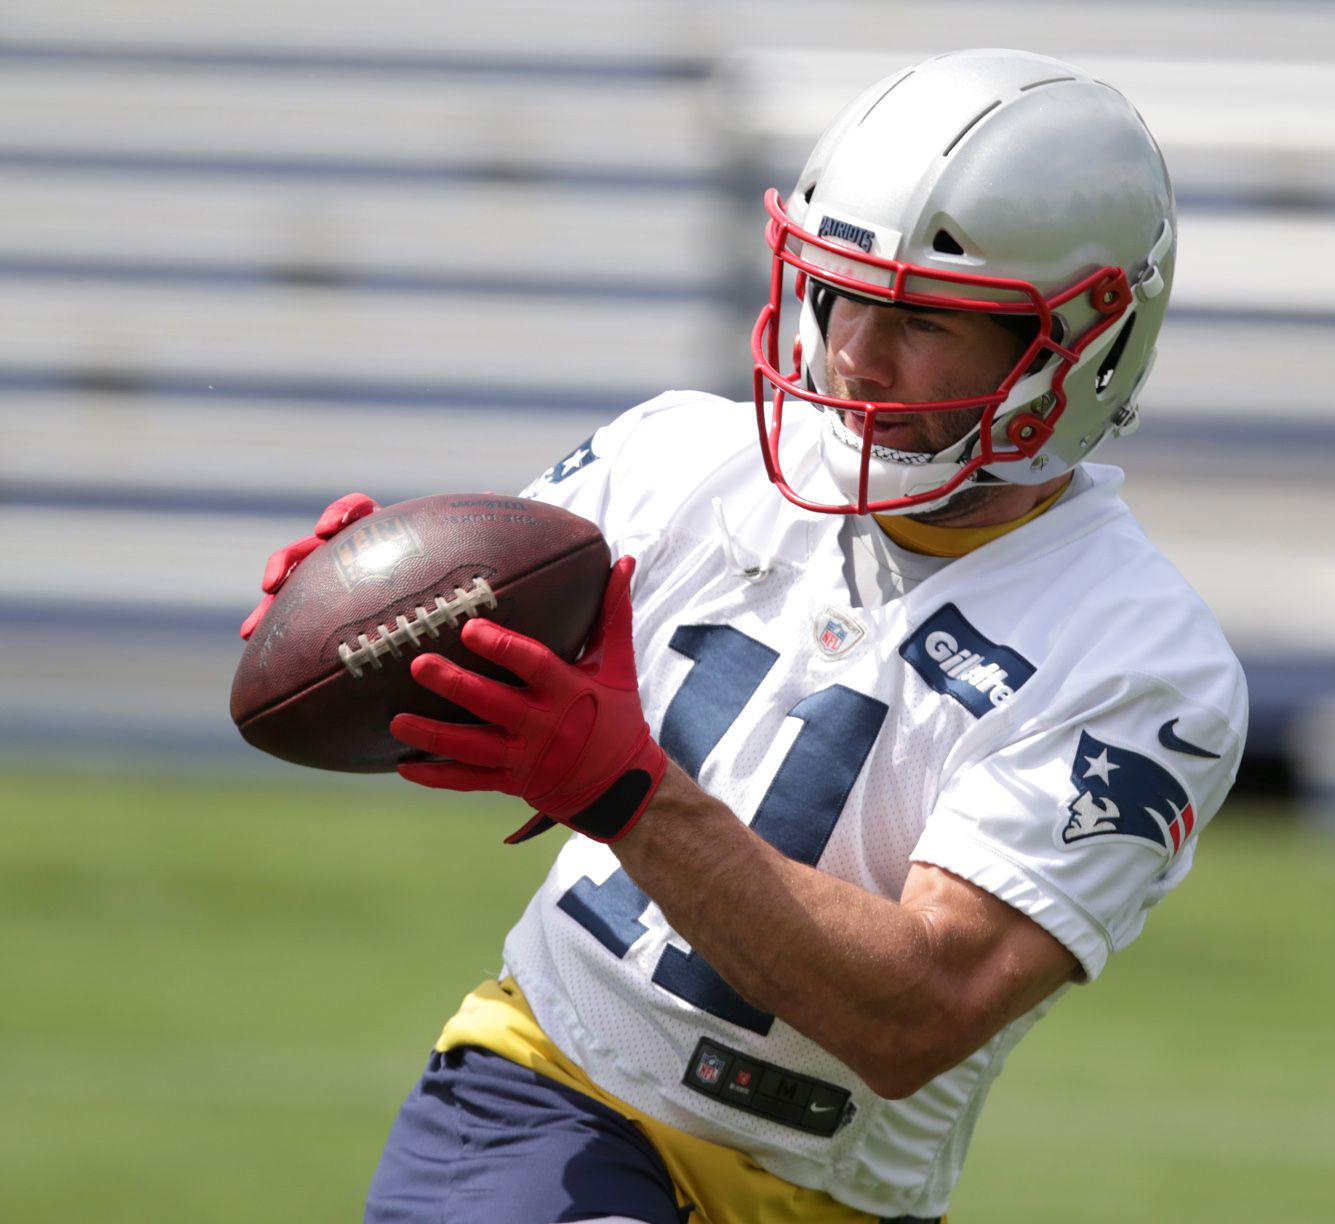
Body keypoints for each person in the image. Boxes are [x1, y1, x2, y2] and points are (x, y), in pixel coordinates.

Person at [245, 48, 1247, 1224]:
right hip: (557, 1093)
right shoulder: (680, 459)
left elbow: (916, 1012)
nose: (856, 357)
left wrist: (628, 793)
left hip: (845, 1193)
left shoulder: (1144, 664)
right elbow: (492, 680)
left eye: (925, 320)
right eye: (839, 292)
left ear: (1081, 346)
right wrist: (371, 629)